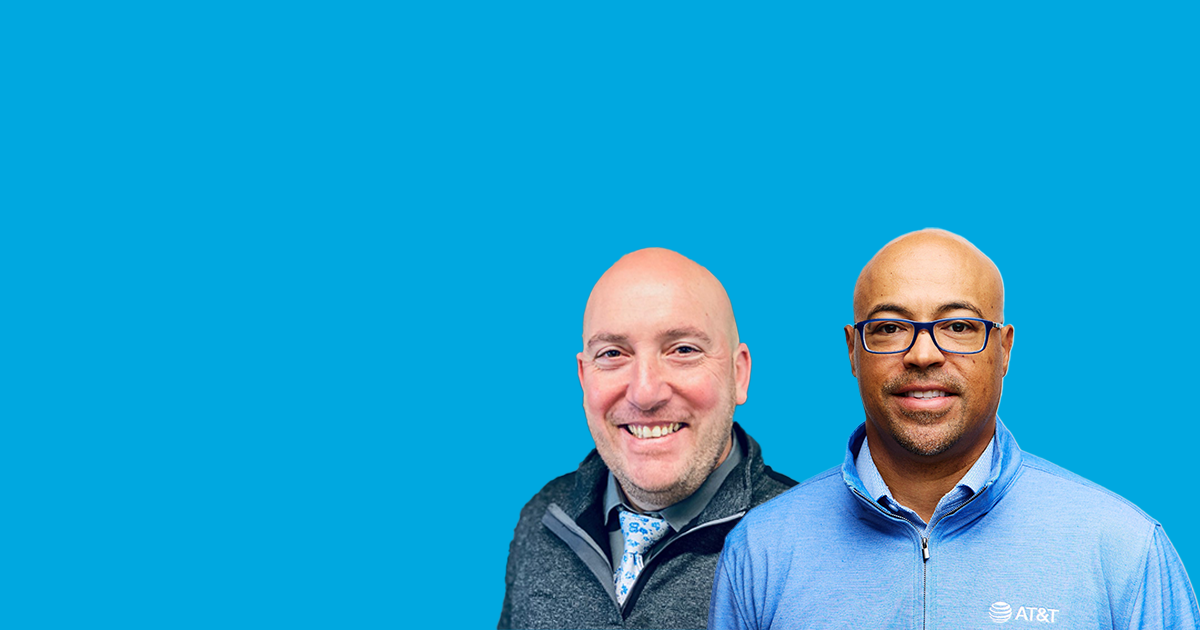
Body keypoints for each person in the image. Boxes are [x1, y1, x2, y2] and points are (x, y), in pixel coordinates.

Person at [709, 229, 1199, 629]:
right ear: (853, 351)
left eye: (959, 326)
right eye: (889, 328)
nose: (923, 354)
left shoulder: (1123, 550)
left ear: (1004, 350)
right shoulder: (761, 552)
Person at [499, 248, 795, 629]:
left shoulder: (808, 543)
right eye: (612, 353)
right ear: (584, 378)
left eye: (683, 350)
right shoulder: (542, 518)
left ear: (738, 374)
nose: (644, 392)